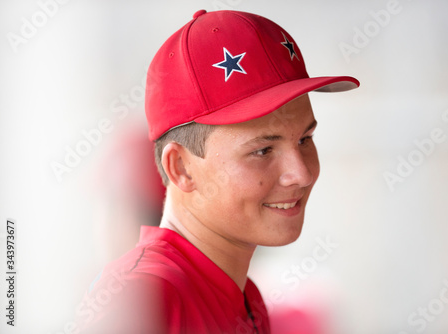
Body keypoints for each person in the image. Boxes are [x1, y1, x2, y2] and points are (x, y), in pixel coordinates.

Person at [77, 9, 359, 334]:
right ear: (181, 168)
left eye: (305, 139)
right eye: (262, 150)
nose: (301, 173)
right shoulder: (141, 293)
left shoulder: (245, 295)